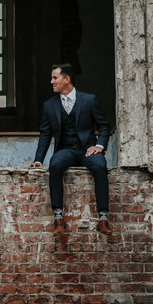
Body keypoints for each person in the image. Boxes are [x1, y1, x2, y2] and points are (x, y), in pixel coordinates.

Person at [29, 63, 111, 235]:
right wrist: (38, 160)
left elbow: (104, 126)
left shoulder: (89, 100)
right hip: (66, 150)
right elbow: (45, 134)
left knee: (100, 165)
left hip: (88, 149)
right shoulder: (49, 105)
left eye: (54, 78)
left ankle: (103, 218)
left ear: (67, 79)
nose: (51, 81)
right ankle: (58, 217)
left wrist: (99, 146)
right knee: (55, 164)